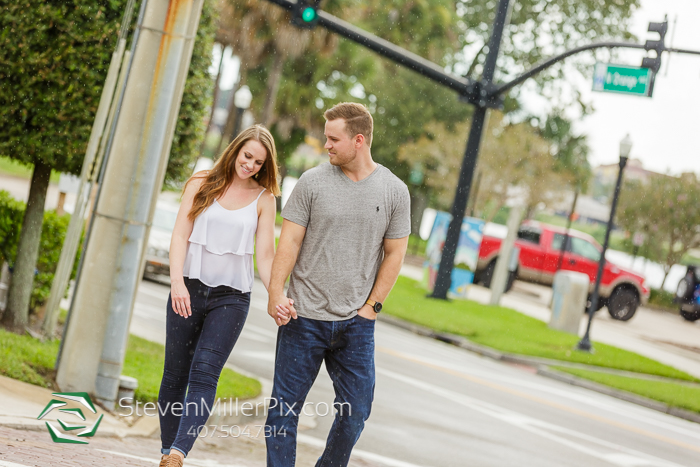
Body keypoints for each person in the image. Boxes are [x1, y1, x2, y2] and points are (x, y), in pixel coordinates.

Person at [265, 102, 411, 467]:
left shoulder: (394, 191)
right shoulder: (312, 182)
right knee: (283, 413)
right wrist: (274, 292)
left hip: (355, 325)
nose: (325, 145)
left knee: (355, 414)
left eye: (333, 138)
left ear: (358, 140)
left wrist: (371, 309)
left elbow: (395, 254)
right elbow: (290, 242)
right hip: (303, 317)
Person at [157, 125, 280, 467]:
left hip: (232, 297)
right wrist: (176, 282)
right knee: (174, 375)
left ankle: (178, 453)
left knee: (205, 372)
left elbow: (265, 256)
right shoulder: (201, 183)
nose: (251, 165)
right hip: (189, 289)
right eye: (247, 156)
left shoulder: (264, 199)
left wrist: (276, 294)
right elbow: (180, 234)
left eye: (258, 162)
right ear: (235, 150)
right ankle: (167, 451)